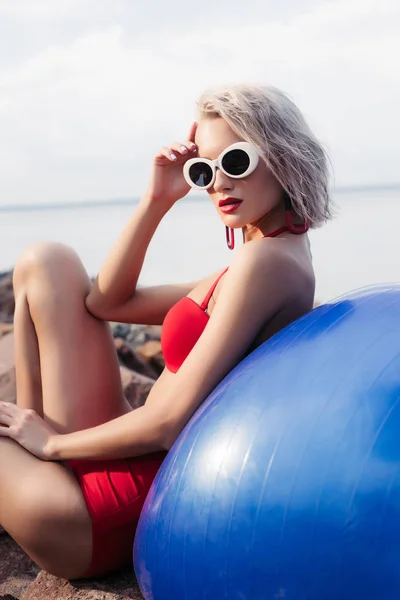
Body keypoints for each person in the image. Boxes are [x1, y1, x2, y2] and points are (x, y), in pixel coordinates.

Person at [0, 84, 332, 580]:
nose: (218, 184)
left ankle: (37, 460)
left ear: (282, 154)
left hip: (103, 513)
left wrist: (51, 445)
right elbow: (107, 302)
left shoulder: (267, 265)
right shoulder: (265, 255)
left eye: (235, 162)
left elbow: (168, 422)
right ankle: (31, 444)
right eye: (205, 170)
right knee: (48, 263)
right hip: (121, 471)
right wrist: (158, 198)